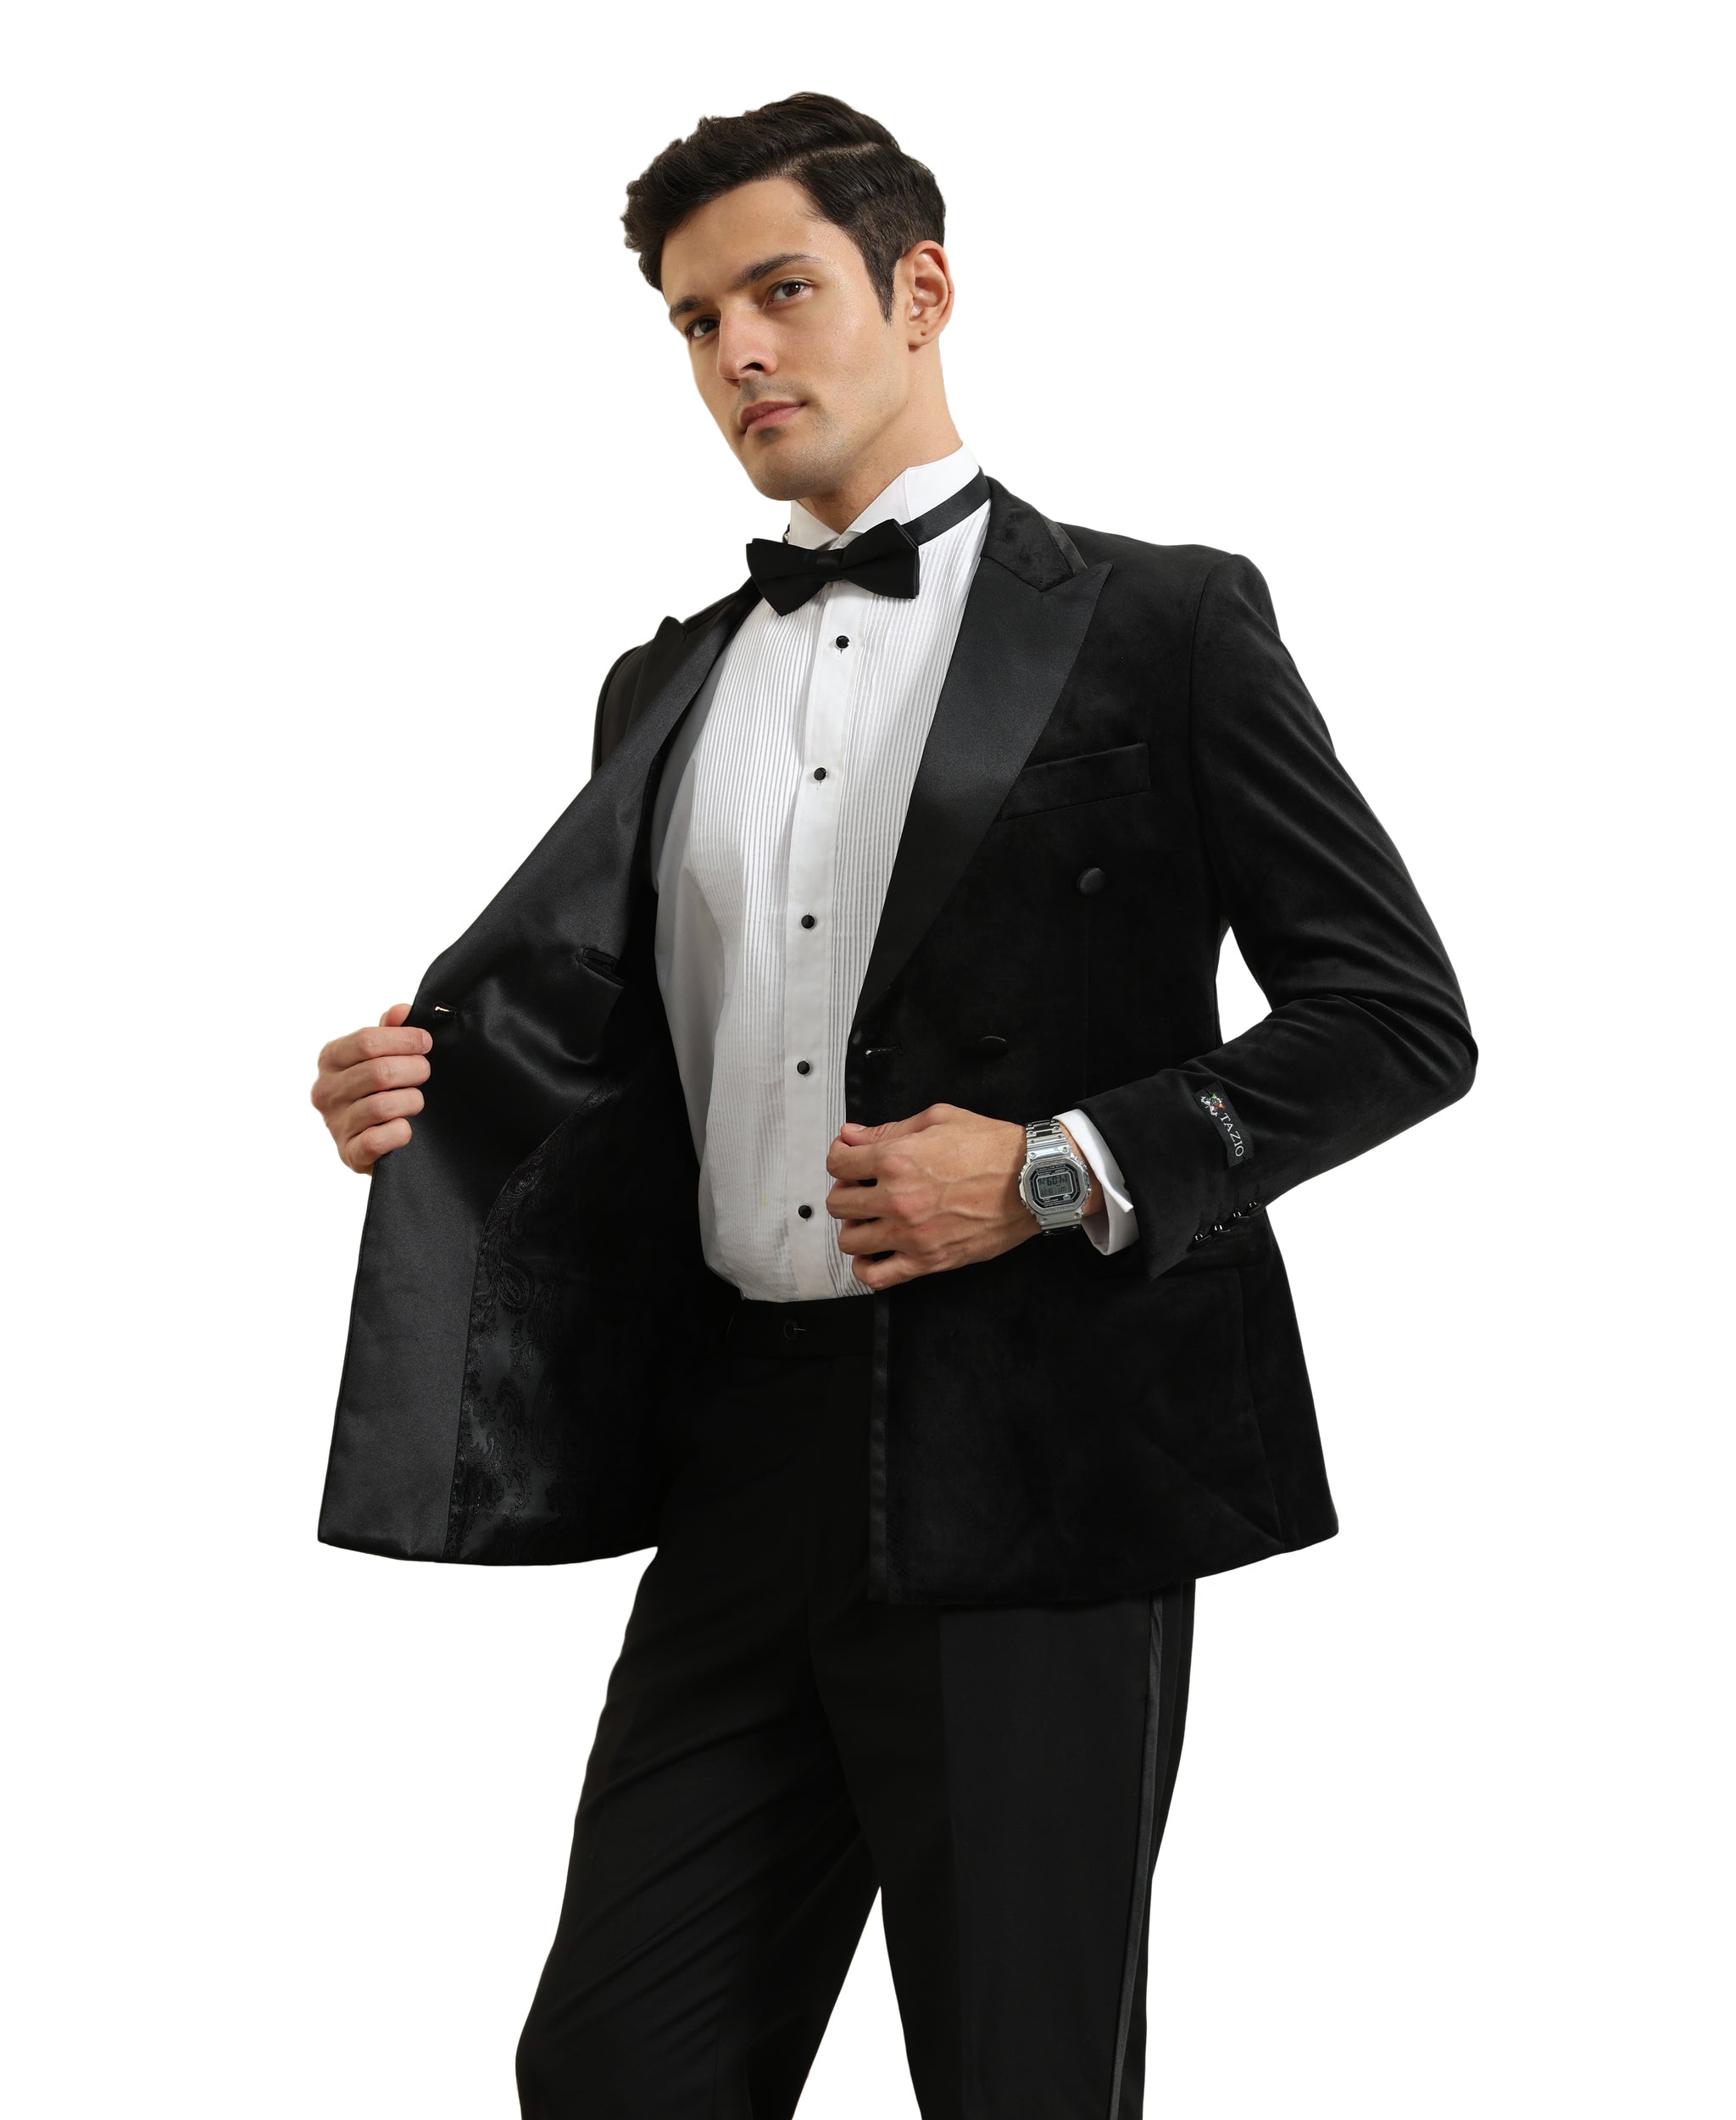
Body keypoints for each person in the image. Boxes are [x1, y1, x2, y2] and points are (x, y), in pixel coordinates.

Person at [310, 92, 1476, 2120]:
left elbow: (1394, 1018)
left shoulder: (1165, 620)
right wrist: (434, 1098)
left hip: (1041, 1454)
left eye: (781, 293)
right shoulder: (660, 683)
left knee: (1020, 2079)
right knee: (612, 2070)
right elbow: (639, 1082)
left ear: (919, 291)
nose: (736, 353)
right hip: (738, 1458)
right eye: (695, 322)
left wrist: (1055, 1172)